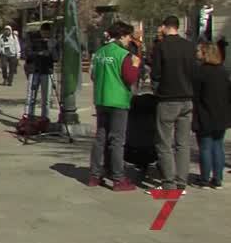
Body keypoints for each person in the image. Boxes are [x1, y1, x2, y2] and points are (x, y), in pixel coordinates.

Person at [88, 21, 141, 191]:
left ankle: (95, 175)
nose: (129, 41)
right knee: (117, 140)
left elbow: (93, 75)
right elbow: (130, 78)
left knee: (100, 138)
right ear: (122, 36)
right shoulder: (123, 54)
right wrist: (136, 64)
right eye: (128, 37)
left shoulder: (99, 53)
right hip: (118, 100)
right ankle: (118, 178)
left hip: (101, 98)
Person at [149, 16, 196, 194]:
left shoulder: (161, 46)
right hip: (187, 98)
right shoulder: (189, 46)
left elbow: (156, 73)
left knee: (164, 142)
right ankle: (181, 181)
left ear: (165, 27)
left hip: (168, 98)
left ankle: (169, 182)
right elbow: (194, 71)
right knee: (183, 143)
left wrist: (156, 87)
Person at [192, 43, 230, 189]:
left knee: (206, 147)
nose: (196, 53)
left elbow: (196, 94)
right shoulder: (223, 71)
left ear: (205, 53)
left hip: (205, 114)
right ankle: (217, 179)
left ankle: (204, 179)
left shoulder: (201, 71)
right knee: (218, 146)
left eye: (199, 51)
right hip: (221, 114)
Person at [20, 23, 57, 133]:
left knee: (46, 97)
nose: (45, 34)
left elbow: (56, 57)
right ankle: (28, 116)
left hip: (47, 72)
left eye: (47, 32)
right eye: (43, 32)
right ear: (40, 31)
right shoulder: (34, 41)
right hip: (35, 71)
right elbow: (27, 54)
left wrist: (50, 50)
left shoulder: (53, 42)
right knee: (31, 96)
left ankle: (44, 118)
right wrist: (39, 54)